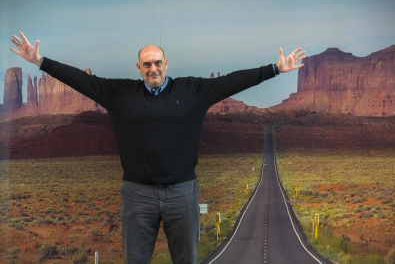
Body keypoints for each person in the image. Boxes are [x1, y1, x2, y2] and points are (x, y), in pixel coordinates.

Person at [10, 31, 305, 264]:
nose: (154, 68)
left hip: (182, 193)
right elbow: (80, 80)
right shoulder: (119, 93)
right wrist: (40, 61)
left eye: (158, 62)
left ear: (167, 64)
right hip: (137, 195)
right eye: (147, 64)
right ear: (139, 67)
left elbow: (233, 82)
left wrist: (275, 69)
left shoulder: (193, 90)